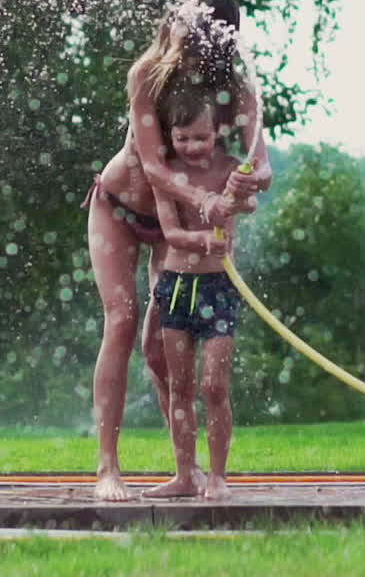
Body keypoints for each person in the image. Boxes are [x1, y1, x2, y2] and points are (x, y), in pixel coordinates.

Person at [83, 0, 272, 501]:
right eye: (191, 33)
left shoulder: (233, 88)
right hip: (119, 209)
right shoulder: (147, 74)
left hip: (177, 228)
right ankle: (107, 469)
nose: (197, 46)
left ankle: (187, 473)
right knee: (121, 319)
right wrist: (204, 200)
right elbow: (152, 166)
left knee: (162, 351)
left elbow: (260, 159)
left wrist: (253, 179)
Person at [143, 81, 244, 501]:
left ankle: (218, 477)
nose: (191, 146)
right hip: (177, 286)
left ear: (216, 132)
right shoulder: (168, 175)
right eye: (182, 138)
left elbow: (248, 199)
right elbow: (170, 232)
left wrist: (242, 198)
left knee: (214, 386)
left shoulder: (230, 169)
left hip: (219, 288)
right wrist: (203, 239)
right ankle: (186, 474)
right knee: (179, 386)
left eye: (200, 137)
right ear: (170, 137)